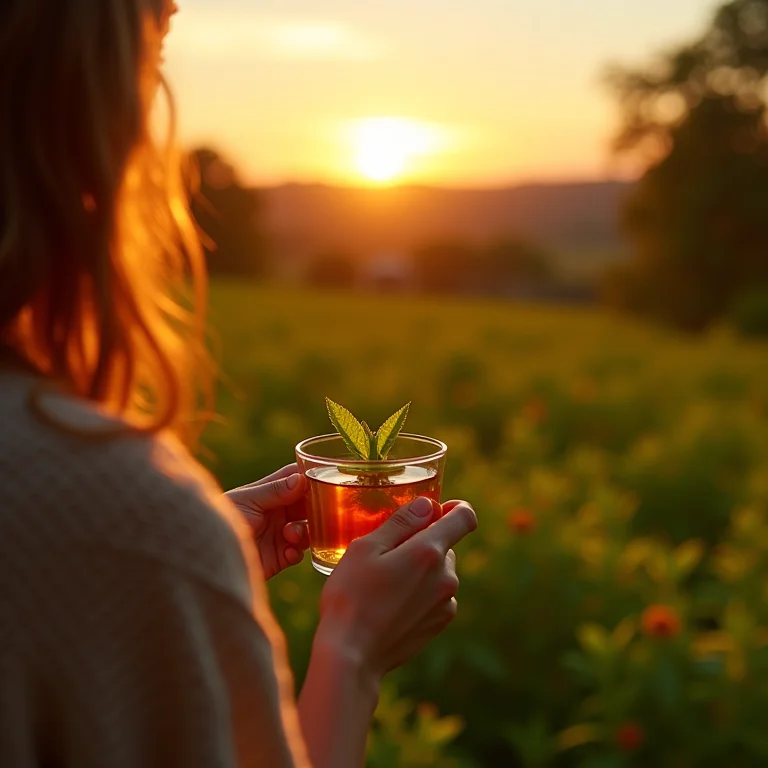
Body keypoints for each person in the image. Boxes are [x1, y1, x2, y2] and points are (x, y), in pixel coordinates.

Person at [0, 1, 478, 766]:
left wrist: (174, 573)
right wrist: (352, 654)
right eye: (153, 61)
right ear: (92, 110)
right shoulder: (114, 506)